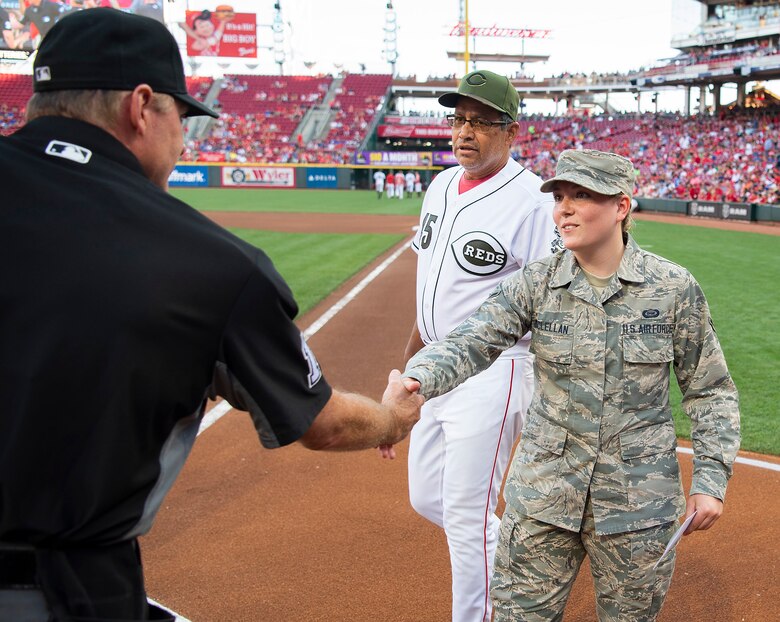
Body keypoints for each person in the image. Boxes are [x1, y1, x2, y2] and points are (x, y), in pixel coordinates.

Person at [0, 9, 423, 622]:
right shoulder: (214, 265)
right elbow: (321, 423)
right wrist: (391, 419)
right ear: (142, 107)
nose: (183, 139)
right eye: (181, 117)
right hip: (67, 590)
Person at [403, 149, 741, 621]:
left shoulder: (672, 288)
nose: (563, 208)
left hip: (636, 510)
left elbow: (710, 390)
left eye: (581, 196)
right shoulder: (536, 282)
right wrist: (418, 378)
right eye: (559, 195)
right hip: (543, 499)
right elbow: (474, 338)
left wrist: (710, 479)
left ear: (621, 206)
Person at [401, 69, 558, 622]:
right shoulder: (440, 187)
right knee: (430, 498)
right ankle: (527, 562)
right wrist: (408, 370)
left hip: (495, 370)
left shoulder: (535, 202)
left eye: (481, 121)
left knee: (467, 517)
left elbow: (555, 300)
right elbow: (430, 289)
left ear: (511, 131)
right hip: (435, 368)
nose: (464, 131)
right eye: (458, 118)